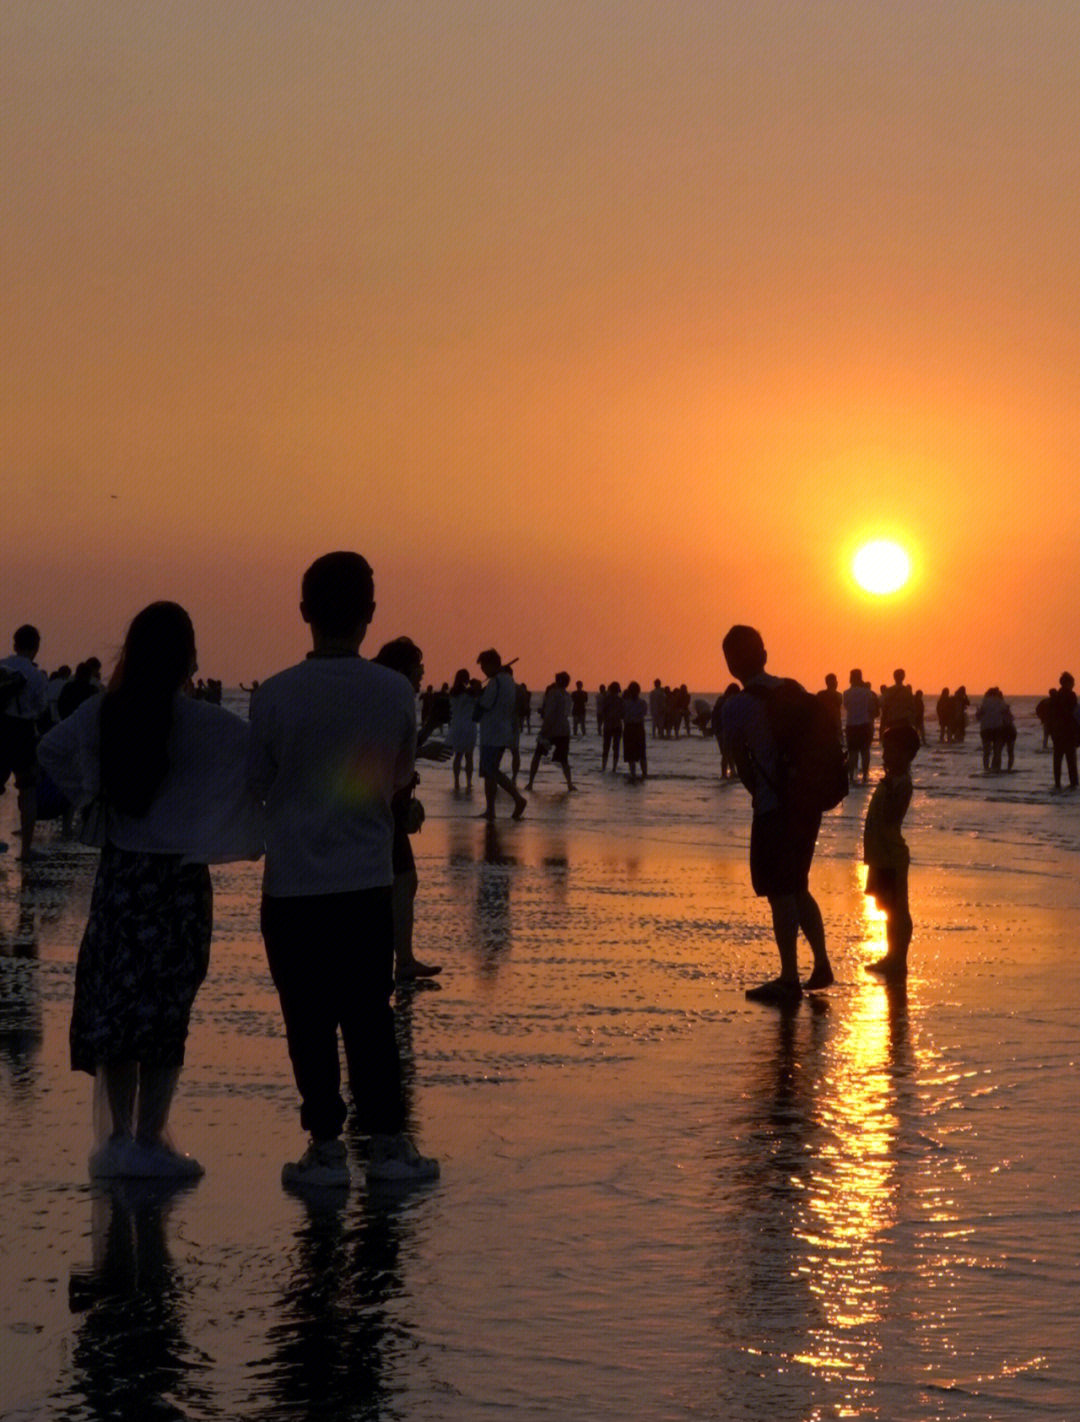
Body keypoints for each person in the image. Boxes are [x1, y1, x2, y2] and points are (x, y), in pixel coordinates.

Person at [37, 602, 262, 1179]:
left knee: (117, 1004)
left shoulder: (103, 713)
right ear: (188, 657)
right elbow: (261, 764)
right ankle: (151, 1136)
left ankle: (117, 1139)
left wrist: (94, 799)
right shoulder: (209, 724)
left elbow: (50, 752)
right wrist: (214, 821)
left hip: (123, 877)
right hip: (180, 880)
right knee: (166, 1009)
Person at [248, 552, 438, 1188]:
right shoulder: (394, 693)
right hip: (363, 881)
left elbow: (261, 781)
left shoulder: (273, 695)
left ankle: (325, 1145)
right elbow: (396, 779)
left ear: (304, 612)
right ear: (370, 615)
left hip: (293, 882)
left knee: (305, 1016)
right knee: (368, 1013)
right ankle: (385, 1144)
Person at [721, 625, 834, 1004]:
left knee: (780, 892)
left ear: (731, 665)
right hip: (808, 803)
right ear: (764, 656)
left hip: (775, 806)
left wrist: (763, 796)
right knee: (798, 884)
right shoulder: (794, 689)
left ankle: (789, 977)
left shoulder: (738, 705)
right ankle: (821, 964)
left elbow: (742, 764)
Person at [864, 723, 920, 980]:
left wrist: (887, 789)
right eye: (885, 751)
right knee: (887, 908)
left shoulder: (902, 783)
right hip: (880, 855)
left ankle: (900, 958)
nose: (887, 756)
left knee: (898, 909)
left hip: (892, 856)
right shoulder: (890, 781)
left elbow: (891, 816)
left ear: (907, 755)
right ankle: (891, 955)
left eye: (893, 751)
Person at [0, 624, 50, 861]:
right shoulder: (36, 676)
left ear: (14, 643)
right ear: (36, 647)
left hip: (1, 730)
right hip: (23, 733)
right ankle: (27, 849)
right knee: (27, 791)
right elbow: (40, 708)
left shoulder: (2, 666)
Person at [475, 650, 527, 821]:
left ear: (491, 664)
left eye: (483, 666)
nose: (482, 670)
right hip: (502, 731)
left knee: (491, 770)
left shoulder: (496, 682)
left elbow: (484, 705)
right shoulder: (508, 680)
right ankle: (490, 810)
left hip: (492, 733)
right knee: (489, 773)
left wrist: (476, 696)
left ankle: (518, 799)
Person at [527, 672, 575, 792]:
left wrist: (544, 729)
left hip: (551, 729)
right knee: (564, 760)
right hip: (564, 729)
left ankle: (530, 783)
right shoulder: (568, 696)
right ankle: (569, 783)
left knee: (537, 755)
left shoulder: (554, 693)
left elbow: (549, 713)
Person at [843, 669, 877, 785]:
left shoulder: (846, 693)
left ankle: (851, 776)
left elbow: (847, 707)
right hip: (864, 724)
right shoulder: (867, 692)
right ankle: (865, 775)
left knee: (852, 752)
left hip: (851, 725)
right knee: (865, 751)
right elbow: (871, 708)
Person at [1047, 672, 1079, 791]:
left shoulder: (1055, 697)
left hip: (1056, 732)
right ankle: (1074, 786)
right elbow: (1074, 713)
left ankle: (1057, 785)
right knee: (1071, 761)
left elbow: (1050, 715)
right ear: (1067, 683)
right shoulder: (1071, 695)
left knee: (1057, 760)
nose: (1074, 684)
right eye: (1072, 682)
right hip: (1068, 732)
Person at [448, 668, 478, 791]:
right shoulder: (469, 694)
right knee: (469, 756)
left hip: (456, 725)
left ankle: (456, 781)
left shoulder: (452, 693)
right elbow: (478, 697)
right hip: (469, 725)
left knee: (458, 755)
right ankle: (469, 782)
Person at [975, 687, 1010, 772]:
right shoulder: (1000, 702)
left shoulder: (984, 702)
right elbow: (1006, 714)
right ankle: (996, 769)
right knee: (997, 751)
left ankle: (986, 769)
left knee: (986, 751)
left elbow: (978, 716)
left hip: (985, 728)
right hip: (998, 727)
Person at [621, 681, 648, 779]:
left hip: (629, 728)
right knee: (642, 753)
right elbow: (644, 713)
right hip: (639, 728)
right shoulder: (643, 702)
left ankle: (633, 774)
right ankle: (644, 774)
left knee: (630, 755)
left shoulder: (625, 704)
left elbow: (622, 715)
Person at [879, 668, 915, 736]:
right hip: (905, 722)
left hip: (892, 722)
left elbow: (881, 704)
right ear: (903, 677)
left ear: (894, 677)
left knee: (893, 743)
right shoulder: (907, 691)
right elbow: (912, 707)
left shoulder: (889, 691)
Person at [600, 680, 624, 771]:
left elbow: (603, 712)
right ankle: (614, 767)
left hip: (608, 725)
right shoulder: (620, 700)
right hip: (617, 725)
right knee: (616, 747)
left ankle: (604, 767)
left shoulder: (606, 699)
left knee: (606, 747)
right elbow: (622, 714)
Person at [817, 674, 843, 743]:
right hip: (834, 726)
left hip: (824, 726)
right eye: (835, 681)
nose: (837, 683)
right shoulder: (838, 695)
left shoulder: (820, 694)